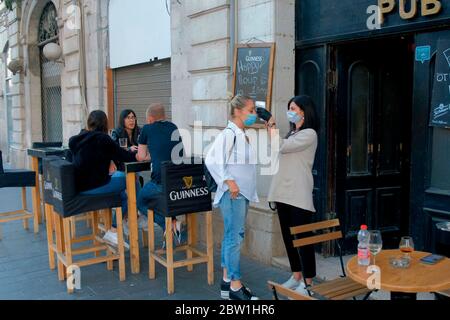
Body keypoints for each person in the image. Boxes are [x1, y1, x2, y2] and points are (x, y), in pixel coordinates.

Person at [205, 95, 260, 301]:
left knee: (231, 236)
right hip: (234, 194)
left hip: (240, 194)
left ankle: (227, 282)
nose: (254, 114)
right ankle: (236, 286)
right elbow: (212, 159)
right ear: (237, 111)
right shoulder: (230, 133)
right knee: (234, 238)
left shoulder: (239, 133)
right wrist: (228, 180)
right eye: (251, 110)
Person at [265, 95, 319, 296]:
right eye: (289, 107)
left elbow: (281, 147)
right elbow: (276, 148)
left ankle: (308, 282)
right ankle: (296, 275)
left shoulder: (309, 134)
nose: (290, 111)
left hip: (298, 195)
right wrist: (271, 130)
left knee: (303, 240)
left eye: (293, 108)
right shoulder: (291, 134)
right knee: (288, 238)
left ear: (304, 111)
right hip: (282, 193)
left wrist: (271, 126)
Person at [69, 110, 138, 248]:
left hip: (78, 187)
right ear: (105, 124)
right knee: (131, 182)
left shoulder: (76, 139)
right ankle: (129, 221)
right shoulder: (103, 139)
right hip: (94, 186)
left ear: (89, 123)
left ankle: (121, 222)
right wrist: (141, 155)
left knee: (123, 195)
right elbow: (124, 156)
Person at [136, 103, 186, 245]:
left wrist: (150, 156)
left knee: (140, 201)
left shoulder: (147, 129)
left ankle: (166, 225)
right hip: (178, 182)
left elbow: (140, 156)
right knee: (165, 198)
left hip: (160, 183)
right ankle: (174, 222)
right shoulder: (173, 127)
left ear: (150, 118)